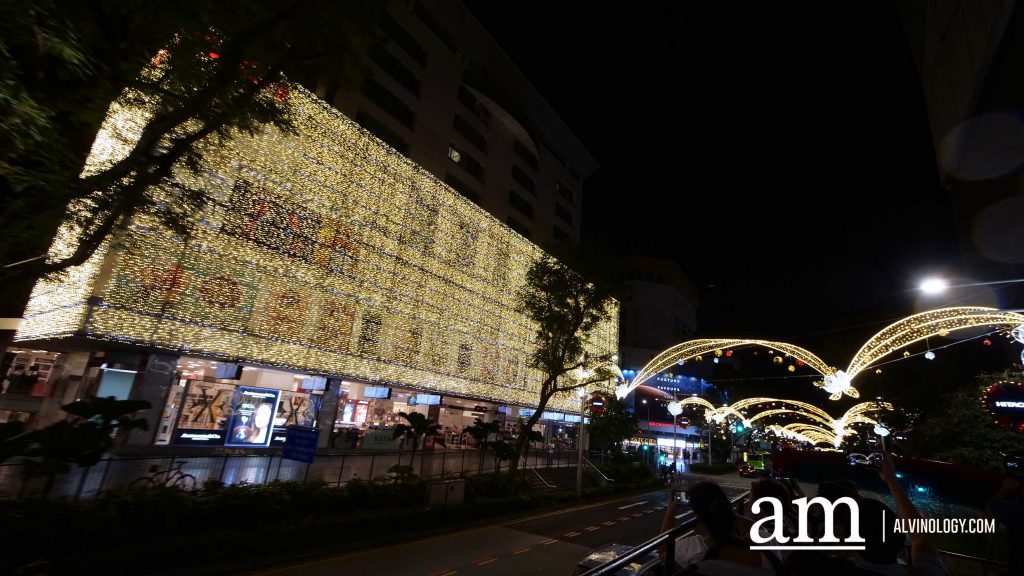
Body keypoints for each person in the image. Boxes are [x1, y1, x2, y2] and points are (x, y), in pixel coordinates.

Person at [661, 481, 784, 574]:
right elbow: (754, 526)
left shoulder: (695, 551)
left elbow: (663, 551)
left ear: (700, 517)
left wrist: (670, 511)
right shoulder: (765, 543)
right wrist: (725, 512)